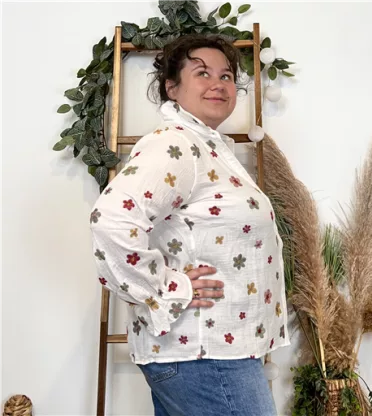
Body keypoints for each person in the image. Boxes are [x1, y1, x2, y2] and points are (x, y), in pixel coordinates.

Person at [90, 33, 289, 416]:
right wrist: (167, 287)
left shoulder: (206, 147)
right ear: (172, 87)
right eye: (202, 73)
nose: (219, 83)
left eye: (226, 75)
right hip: (205, 354)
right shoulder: (176, 145)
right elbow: (111, 220)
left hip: (206, 352)